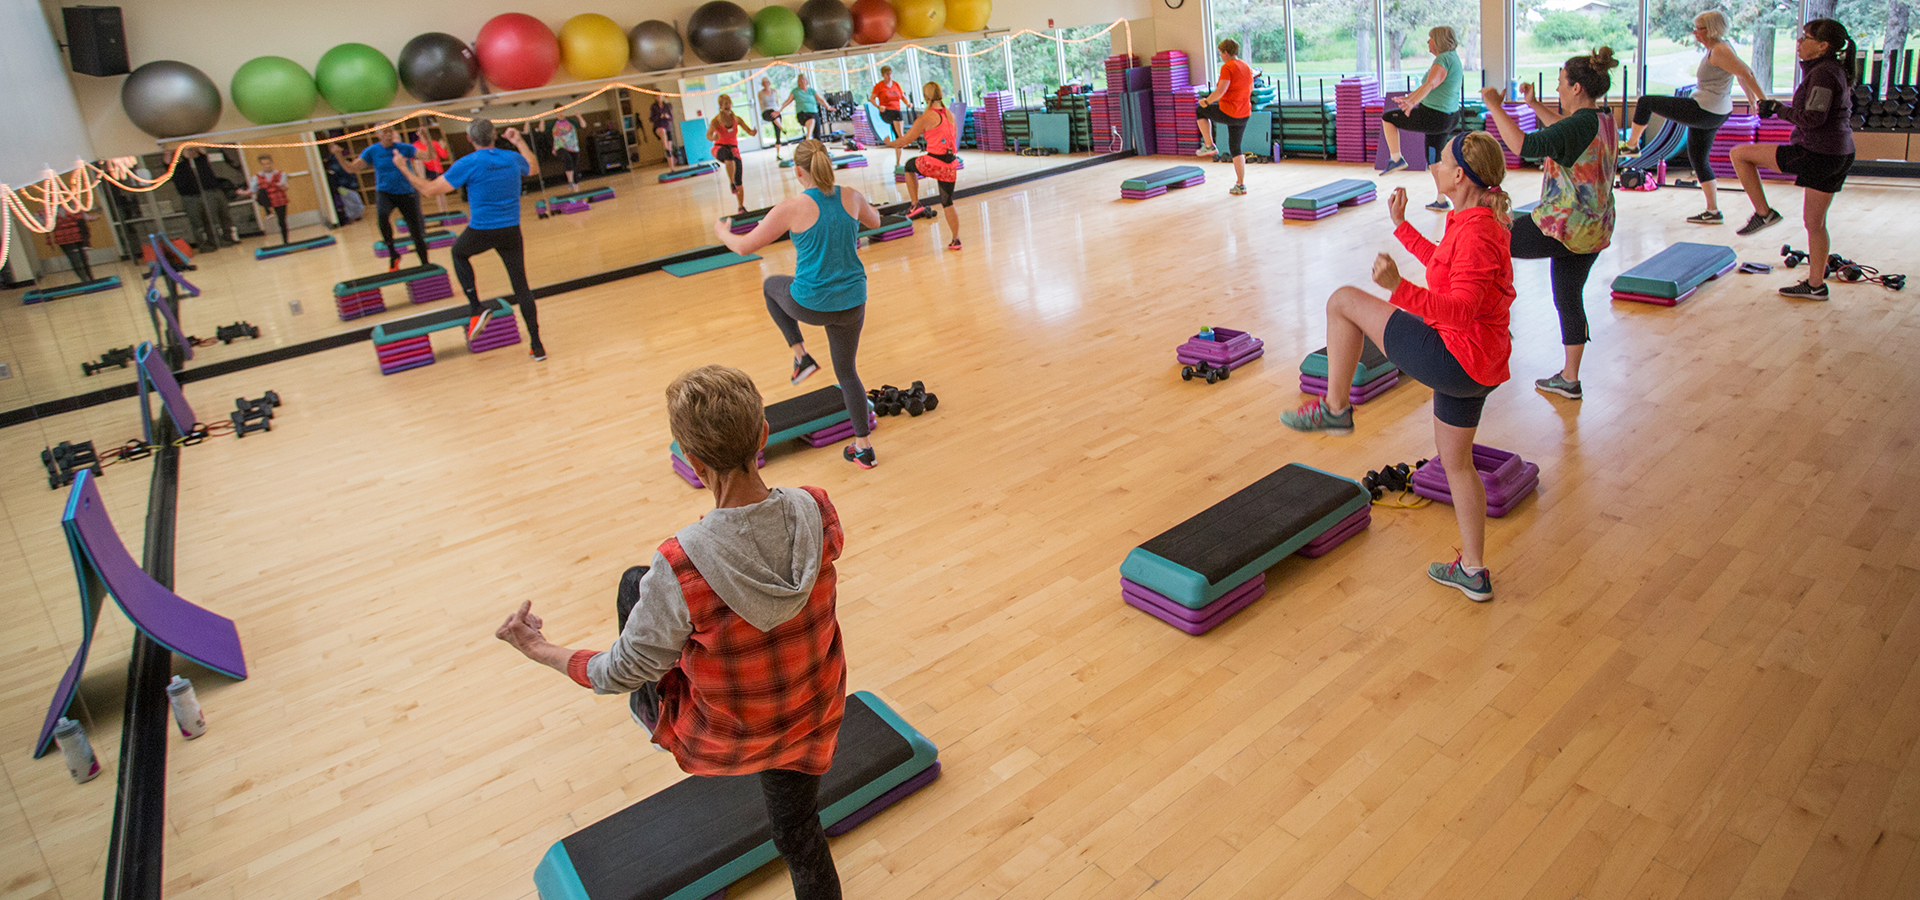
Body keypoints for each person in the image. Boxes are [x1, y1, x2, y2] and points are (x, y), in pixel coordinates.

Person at [494, 364, 848, 900]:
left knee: (634, 584)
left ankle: (650, 712)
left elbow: (613, 673)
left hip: (729, 734)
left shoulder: (680, 566)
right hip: (809, 716)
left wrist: (536, 645)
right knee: (798, 836)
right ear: (764, 434)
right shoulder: (818, 508)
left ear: (690, 459)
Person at [1282, 132, 1516, 602]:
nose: (1432, 165)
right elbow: (1443, 267)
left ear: (1459, 176)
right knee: (1457, 465)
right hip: (1479, 369)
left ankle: (1334, 408)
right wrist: (1402, 226)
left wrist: (1397, 288)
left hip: (1454, 356)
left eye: (1441, 160)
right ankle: (1473, 571)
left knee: (1343, 301)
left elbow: (1461, 310)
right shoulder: (1471, 220)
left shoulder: (1476, 232)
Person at [715, 138, 883, 469]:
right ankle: (864, 449)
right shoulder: (851, 195)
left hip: (811, 304)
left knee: (771, 286)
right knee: (847, 372)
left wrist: (723, 232)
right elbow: (875, 222)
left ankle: (801, 356)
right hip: (852, 303)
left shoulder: (792, 207)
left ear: (798, 171)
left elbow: (744, 247)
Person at [1482, 47, 1619, 402]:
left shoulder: (1579, 123)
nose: (1558, 89)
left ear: (1576, 88)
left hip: (1565, 225)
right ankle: (1570, 379)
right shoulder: (1602, 116)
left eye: (1561, 83)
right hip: (1596, 227)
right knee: (1568, 296)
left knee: (1490, 239)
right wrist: (1532, 105)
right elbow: (1564, 128)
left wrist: (1495, 105)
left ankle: (1487, 324)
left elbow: (1521, 146)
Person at [399, 119, 547, 362]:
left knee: (459, 253)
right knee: (521, 286)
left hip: (482, 230)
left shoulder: (467, 163)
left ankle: (476, 307)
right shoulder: (511, 157)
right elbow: (533, 167)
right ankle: (537, 345)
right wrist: (519, 141)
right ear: (495, 135)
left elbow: (428, 190)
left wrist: (404, 169)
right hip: (511, 230)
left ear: (469, 139)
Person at [1729, 18, 1857, 300]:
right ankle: (1815, 286)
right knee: (1815, 223)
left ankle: (1764, 213)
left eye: (1806, 37)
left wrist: (1778, 109)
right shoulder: (1830, 70)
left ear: (1823, 46)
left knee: (1740, 154)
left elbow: (1813, 118)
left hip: (1818, 153)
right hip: (1839, 153)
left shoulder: (1824, 73)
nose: (1799, 42)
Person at [1624, 12, 1769, 225]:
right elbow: (1740, 74)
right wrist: (1751, 101)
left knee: (1646, 102)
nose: (1694, 32)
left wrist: (1763, 100)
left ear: (1710, 29)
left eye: (1698, 27)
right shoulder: (1722, 47)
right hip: (1714, 111)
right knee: (1699, 159)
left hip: (1703, 109)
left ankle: (1631, 146)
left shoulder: (1719, 51)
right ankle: (1713, 211)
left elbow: (1747, 73)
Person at [1380, 27, 1468, 211]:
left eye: (1430, 38)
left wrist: (1412, 102)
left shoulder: (1443, 59)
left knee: (1388, 118)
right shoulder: (1453, 57)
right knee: (1434, 159)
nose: (1428, 42)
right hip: (1448, 117)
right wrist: (1410, 98)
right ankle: (1442, 200)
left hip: (1434, 117)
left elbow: (1431, 84)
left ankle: (1396, 159)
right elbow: (1430, 87)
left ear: (1439, 40)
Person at [333, 127, 430, 272]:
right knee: (382, 217)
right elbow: (351, 168)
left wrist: (426, 139)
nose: (389, 135)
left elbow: (428, 156)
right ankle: (393, 254)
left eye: (390, 132)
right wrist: (339, 155)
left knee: (416, 230)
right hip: (385, 192)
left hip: (406, 192)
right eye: (385, 132)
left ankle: (425, 263)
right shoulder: (372, 151)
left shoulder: (404, 148)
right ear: (378, 135)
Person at [887, 82, 964, 250]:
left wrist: (889, 143)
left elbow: (905, 140)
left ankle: (915, 203)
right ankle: (956, 239)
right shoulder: (951, 114)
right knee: (947, 201)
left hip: (933, 162)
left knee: (908, 165)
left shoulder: (926, 117)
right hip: (950, 164)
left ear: (926, 97)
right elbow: (954, 137)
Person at [1192, 39, 1254, 196]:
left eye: (1221, 53)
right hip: (1244, 113)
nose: (1220, 56)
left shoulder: (1228, 67)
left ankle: (1209, 145)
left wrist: (1207, 101)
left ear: (1226, 52)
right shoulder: (1246, 66)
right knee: (1236, 148)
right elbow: (1250, 88)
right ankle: (1240, 185)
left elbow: (1221, 90)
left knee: (1201, 111)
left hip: (1230, 112)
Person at [171, 147, 235, 252]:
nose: (191, 151)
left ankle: (223, 240)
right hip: (191, 195)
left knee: (218, 217)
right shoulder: (179, 164)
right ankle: (205, 244)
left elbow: (201, 149)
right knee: (199, 223)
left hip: (209, 191)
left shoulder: (201, 159)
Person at [709, 94, 758, 214]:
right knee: (728, 157)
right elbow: (708, 135)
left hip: (734, 149)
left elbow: (749, 131)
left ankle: (741, 207)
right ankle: (731, 183)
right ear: (720, 106)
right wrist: (714, 136)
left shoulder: (736, 119)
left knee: (739, 180)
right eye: (724, 104)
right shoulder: (716, 121)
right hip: (719, 148)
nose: (727, 106)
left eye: (729, 103)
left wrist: (753, 132)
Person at [239, 154, 291, 245]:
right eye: (264, 164)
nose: (267, 166)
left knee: (282, 220)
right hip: (267, 198)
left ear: (272, 163)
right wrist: (243, 193)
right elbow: (252, 189)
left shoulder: (280, 174)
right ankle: (268, 211)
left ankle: (285, 241)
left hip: (279, 199)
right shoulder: (257, 177)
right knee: (262, 191)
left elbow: (285, 187)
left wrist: (282, 186)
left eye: (268, 163)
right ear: (261, 165)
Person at [870, 66, 909, 167]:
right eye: (887, 74)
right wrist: (878, 106)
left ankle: (898, 161)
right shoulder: (879, 86)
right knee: (897, 115)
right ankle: (902, 138)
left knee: (898, 119)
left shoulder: (896, 84)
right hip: (886, 112)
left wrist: (908, 104)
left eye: (890, 73)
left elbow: (903, 97)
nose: (889, 76)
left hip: (896, 113)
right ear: (883, 75)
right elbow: (872, 99)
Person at [52, 207, 98, 284]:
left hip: (76, 238)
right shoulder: (51, 212)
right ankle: (86, 279)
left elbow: (83, 217)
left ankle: (89, 279)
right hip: (65, 240)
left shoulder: (71, 208)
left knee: (82, 259)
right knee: (76, 260)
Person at [412, 131, 454, 213]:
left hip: (435, 170)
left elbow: (444, 156)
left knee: (440, 192)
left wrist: (443, 147)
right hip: (423, 170)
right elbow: (412, 159)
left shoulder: (434, 143)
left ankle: (443, 211)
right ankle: (422, 180)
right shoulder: (415, 145)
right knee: (418, 161)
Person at [781, 73, 828, 142]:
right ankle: (808, 138)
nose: (802, 82)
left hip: (814, 112)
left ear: (806, 81)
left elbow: (820, 99)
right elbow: (788, 101)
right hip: (803, 113)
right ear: (798, 82)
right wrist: (780, 109)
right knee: (811, 120)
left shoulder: (811, 90)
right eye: (800, 80)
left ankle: (817, 148)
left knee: (817, 133)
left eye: (803, 80)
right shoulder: (795, 91)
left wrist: (828, 106)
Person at [550, 112, 584, 191]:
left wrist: (579, 116)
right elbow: (541, 129)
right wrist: (541, 120)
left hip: (573, 147)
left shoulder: (571, 122)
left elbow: (583, 125)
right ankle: (570, 180)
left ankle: (576, 191)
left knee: (574, 167)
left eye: (562, 112)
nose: (560, 114)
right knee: (567, 158)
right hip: (560, 147)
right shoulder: (553, 124)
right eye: (558, 112)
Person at [758, 76, 787, 160]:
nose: (766, 84)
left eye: (767, 82)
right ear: (762, 84)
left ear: (769, 83)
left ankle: (778, 154)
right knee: (772, 114)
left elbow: (777, 101)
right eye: (764, 83)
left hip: (775, 112)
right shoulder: (760, 93)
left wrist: (778, 110)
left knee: (777, 133)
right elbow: (761, 104)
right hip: (766, 112)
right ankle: (782, 127)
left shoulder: (774, 91)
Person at [651, 95, 679, 170]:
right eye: (657, 96)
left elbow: (671, 118)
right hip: (658, 127)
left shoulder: (667, 106)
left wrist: (667, 116)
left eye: (659, 95)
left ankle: (672, 168)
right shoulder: (654, 107)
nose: (658, 97)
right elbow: (651, 118)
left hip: (667, 127)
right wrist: (660, 116)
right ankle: (666, 148)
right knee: (662, 132)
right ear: (655, 97)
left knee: (669, 147)